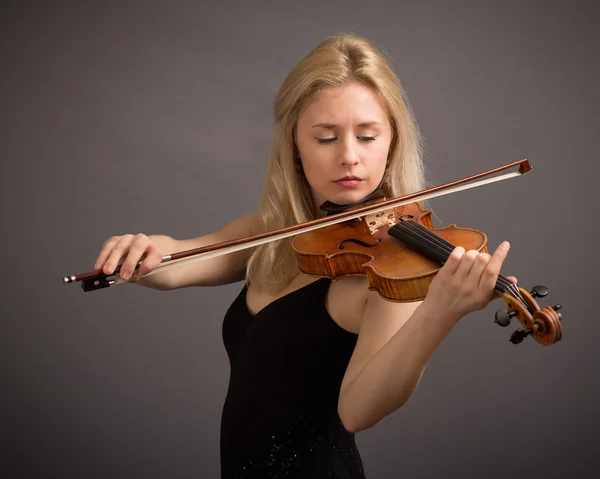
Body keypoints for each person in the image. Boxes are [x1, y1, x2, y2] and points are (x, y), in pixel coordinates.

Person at [93, 34, 514, 478]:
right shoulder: (274, 234)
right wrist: (147, 250)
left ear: (392, 144)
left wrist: (439, 314)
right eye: (326, 138)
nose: (349, 157)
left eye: (368, 136)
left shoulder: (390, 273)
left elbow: (357, 411)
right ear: (295, 145)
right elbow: (181, 259)